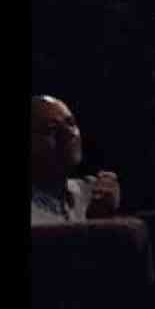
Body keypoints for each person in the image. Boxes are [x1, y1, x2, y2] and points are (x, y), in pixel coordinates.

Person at [30, 95, 122, 225]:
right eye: (51, 128)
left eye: (71, 123)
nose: (69, 133)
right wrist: (99, 223)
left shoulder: (92, 193)